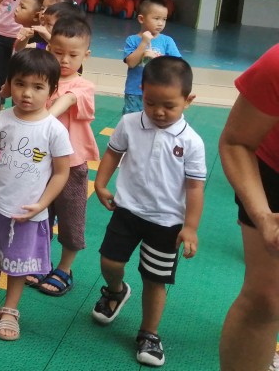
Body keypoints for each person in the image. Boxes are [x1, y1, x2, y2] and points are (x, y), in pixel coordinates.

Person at [92, 56, 205, 367]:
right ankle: (116, 291)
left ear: (188, 100)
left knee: (155, 279)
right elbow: (113, 153)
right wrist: (100, 184)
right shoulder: (130, 123)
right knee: (109, 261)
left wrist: (190, 227)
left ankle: (149, 333)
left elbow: (195, 188)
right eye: (150, 102)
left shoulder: (191, 142)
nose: (158, 111)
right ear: (141, 92)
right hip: (127, 210)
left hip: (166, 222)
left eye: (169, 105)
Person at [0, 49, 72, 343]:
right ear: (9, 83)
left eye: (38, 87)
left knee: (19, 264)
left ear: (52, 91)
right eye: (20, 84)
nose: (27, 93)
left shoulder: (54, 130)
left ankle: (10, 309)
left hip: (28, 211)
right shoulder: (0, 119)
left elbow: (61, 173)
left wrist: (42, 204)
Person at [24, 16, 98, 297]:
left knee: (71, 217)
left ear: (85, 55)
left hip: (72, 164)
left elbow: (69, 100)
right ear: (48, 49)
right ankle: (40, 261)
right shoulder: (42, 81)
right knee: (39, 214)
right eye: (58, 52)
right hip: (41, 162)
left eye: (73, 55)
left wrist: (44, 118)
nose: (64, 60)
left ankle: (65, 268)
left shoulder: (83, 86)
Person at [219, 44, 279, 371]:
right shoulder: (276, 65)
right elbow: (236, 141)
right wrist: (264, 217)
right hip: (273, 168)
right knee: (266, 297)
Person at [122, 0, 180, 114]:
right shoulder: (132, 40)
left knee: (154, 120)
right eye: (156, 18)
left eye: (164, 19)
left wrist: (158, 60)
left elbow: (178, 65)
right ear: (141, 19)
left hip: (159, 91)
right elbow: (131, 63)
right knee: (131, 120)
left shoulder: (167, 41)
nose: (160, 23)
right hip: (135, 92)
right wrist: (143, 43)